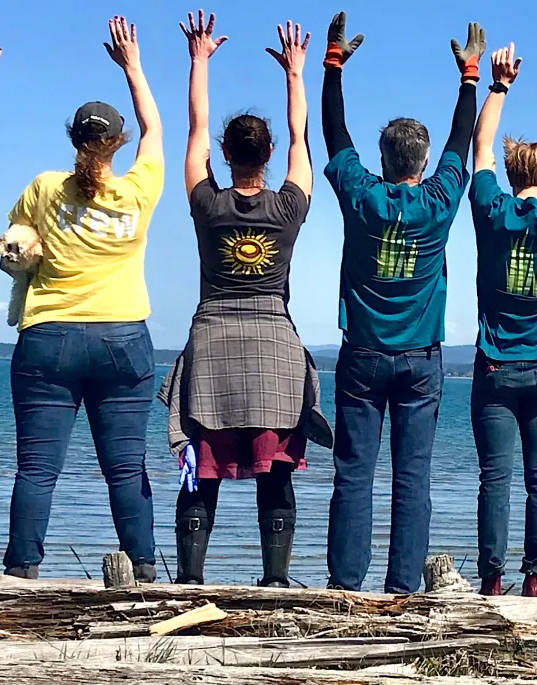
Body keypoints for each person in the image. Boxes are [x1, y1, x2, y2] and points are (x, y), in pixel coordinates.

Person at [158, 14, 332, 587]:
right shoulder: (288, 207)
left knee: (200, 471)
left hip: (213, 343)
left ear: (224, 154)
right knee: (275, 469)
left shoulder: (207, 203)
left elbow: (193, 130)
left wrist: (199, 59)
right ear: (269, 154)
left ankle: (188, 582)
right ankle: (276, 582)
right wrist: (297, 73)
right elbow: (304, 139)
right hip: (273, 343)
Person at [321, 13, 483, 593]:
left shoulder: (360, 195)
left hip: (362, 356)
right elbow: (460, 141)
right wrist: (470, 76)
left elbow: (334, 135)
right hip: (420, 360)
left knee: (352, 476)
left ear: (384, 158)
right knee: (412, 479)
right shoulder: (440, 200)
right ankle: (403, 589)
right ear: (420, 162)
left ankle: (344, 586)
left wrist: (333, 65)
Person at [0, 17, 166, 581]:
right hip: (123, 338)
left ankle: (22, 573)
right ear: (116, 144)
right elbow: (155, 128)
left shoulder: (45, 187)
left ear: (74, 140)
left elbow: (18, 244)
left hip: (48, 337)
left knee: (37, 470)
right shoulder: (139, 189)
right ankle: (143, 572)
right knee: (125, 470)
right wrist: (133, 67)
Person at [465, 45, 537, 597]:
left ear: (511, 174)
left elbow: (480, 147)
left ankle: (492, 580)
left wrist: (498, 86)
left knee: (497, 479)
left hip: (493, 369)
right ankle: (534, 579)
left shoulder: (491, 212)